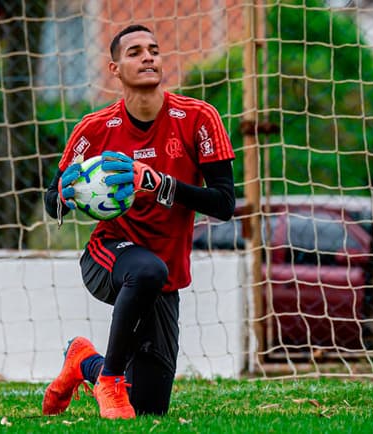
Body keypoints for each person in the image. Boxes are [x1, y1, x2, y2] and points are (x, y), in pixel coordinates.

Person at [42, 24, 236, 419]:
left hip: (167, 277)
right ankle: (110, 378)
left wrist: (158, 183)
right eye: (134, 52)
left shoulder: (200, 118)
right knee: (146, 269)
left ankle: (84, 362)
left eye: (153, 50)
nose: (148, 56)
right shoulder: (94, 129)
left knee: (147, 409)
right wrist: (64, 195)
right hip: (108, 256)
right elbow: (52, 201)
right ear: (114, 69)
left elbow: (224, 204)